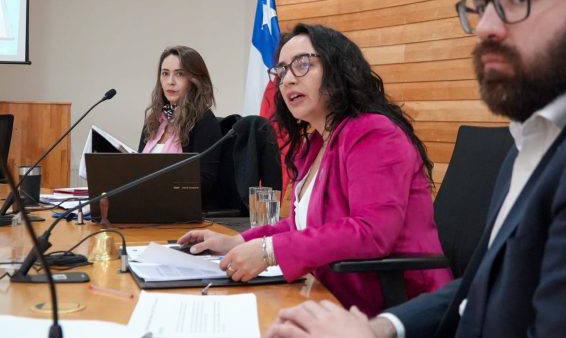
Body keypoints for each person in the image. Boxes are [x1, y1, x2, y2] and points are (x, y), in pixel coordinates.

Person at [266, 0, 566, 336]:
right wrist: (382, 329)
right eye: (482, 5)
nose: (485, 27)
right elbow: (477, 290)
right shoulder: (532, 140)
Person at [178, 23, 452, 316]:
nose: (287, 80)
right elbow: (303, 224)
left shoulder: (373, 132)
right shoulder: (317, 144)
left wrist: (270, 251)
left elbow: (372, 232)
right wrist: (236, 241)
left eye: (302, 64)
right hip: (333, 295)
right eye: (281, 71)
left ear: (337, 69)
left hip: (396, 307)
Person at [139, 45, 222, 208]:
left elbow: (205, 181)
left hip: (180, 211)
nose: (170, 81)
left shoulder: (204, 121)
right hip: (144, 206)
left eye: (179, 74)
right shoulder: (154, 120)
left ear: (195, 80)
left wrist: (161, 184)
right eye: (165, 73)